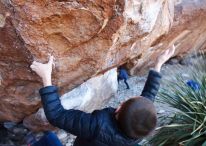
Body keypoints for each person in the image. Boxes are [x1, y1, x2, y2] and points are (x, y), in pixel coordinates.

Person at [30, 45, 176, 146]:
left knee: (49, 138)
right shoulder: (137, 131)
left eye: (128, 100)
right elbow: (148, 96)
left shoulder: (95, 126)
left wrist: (46, 77)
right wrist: (158, 65)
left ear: (119, 109)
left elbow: (56, 115)